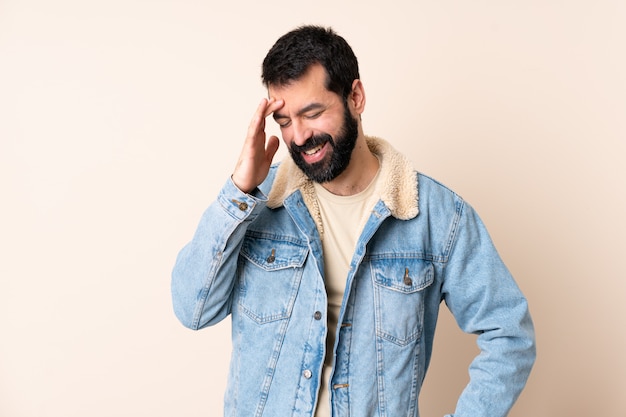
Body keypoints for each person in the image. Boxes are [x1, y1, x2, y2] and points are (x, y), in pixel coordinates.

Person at [171, 25, 536, 417]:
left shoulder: (437, 217)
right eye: (284, 121)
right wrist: (239, 190)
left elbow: (509, 334)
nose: (299, 136)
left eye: (312, 113)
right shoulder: (256, 203)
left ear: (356, 98)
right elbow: (193, 309)